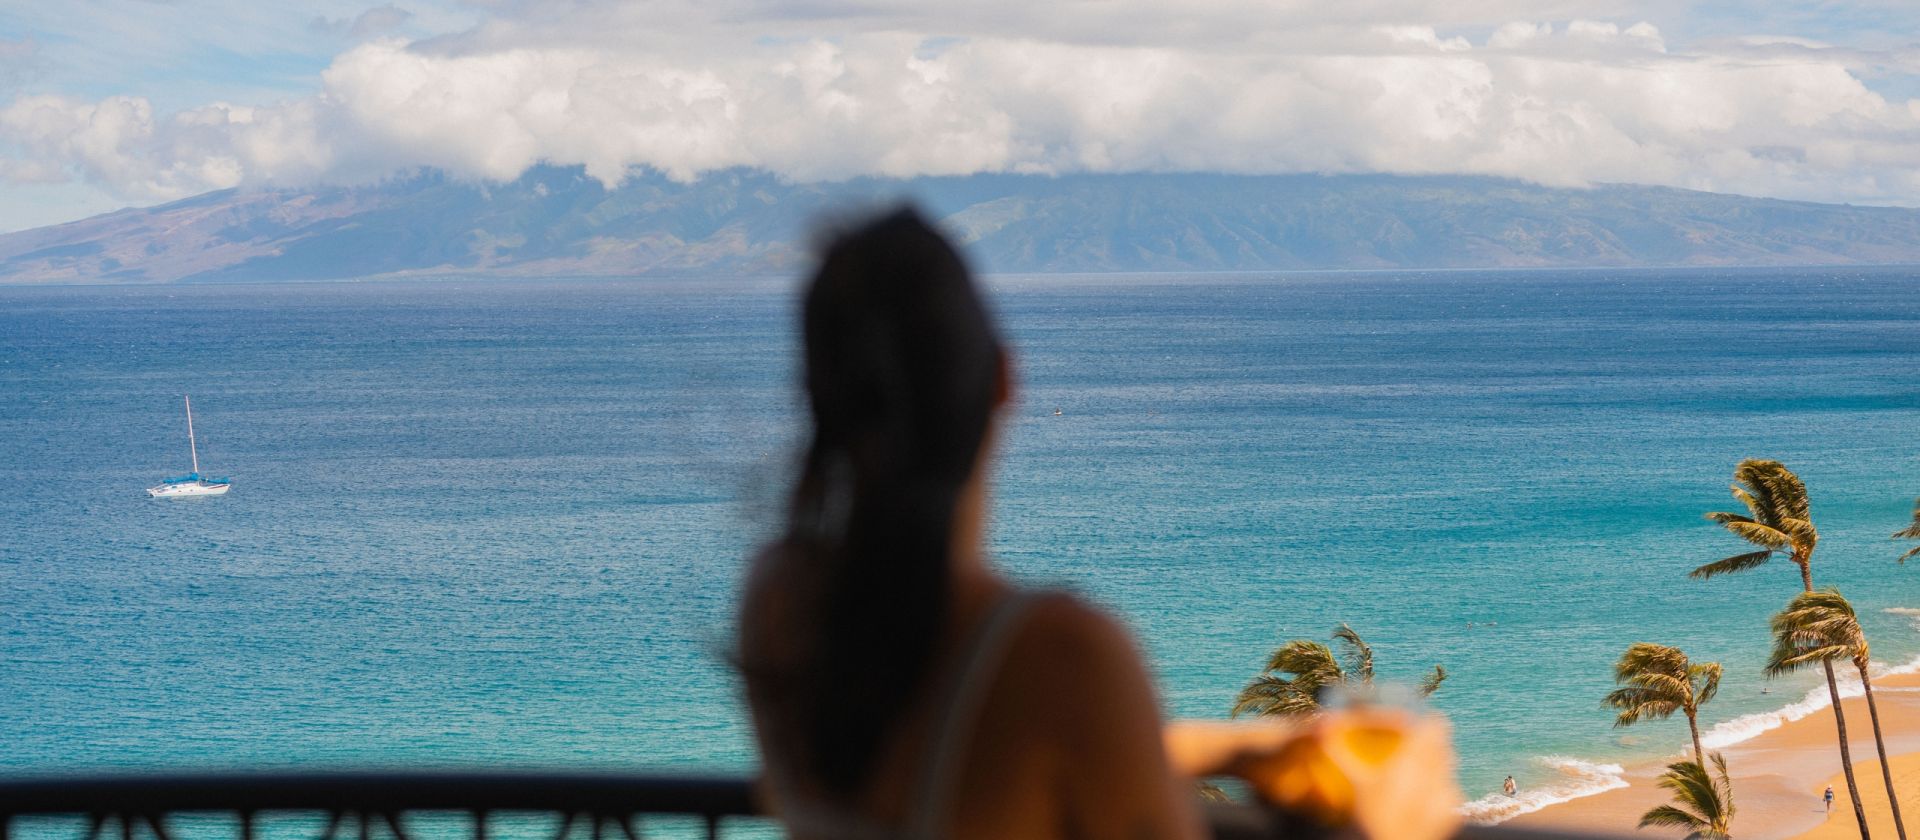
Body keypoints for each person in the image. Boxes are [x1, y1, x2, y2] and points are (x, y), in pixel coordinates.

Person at [736, 208, 1461, 840]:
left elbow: (1010, 756)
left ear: (817, 397)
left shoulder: (781, 604)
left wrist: (1244, 748)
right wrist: (1389, 826)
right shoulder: (1056, 651)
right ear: (1005, 380)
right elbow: (1040, 719)